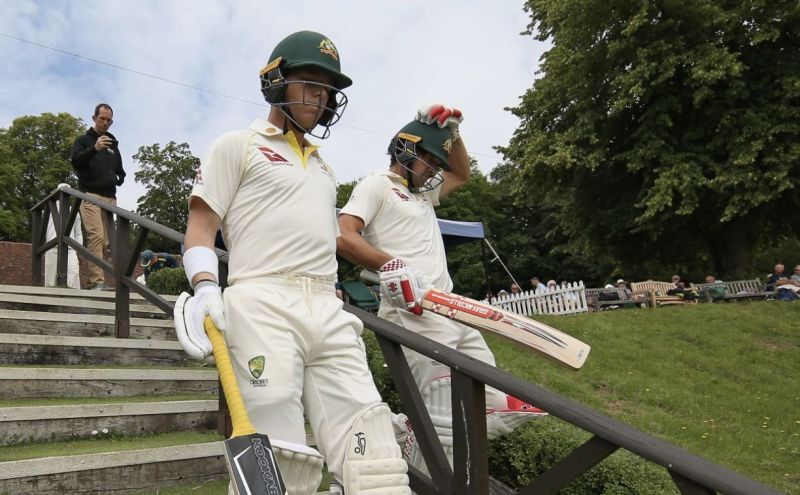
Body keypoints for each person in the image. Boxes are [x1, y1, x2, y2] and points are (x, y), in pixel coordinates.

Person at [172, 31, 409, 495]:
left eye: (327, 90)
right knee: (278, 463)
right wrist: (204, 286)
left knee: (375, 459)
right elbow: (200, 228)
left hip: (327, 307)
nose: (320, 98)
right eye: (310, 83)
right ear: (275, 80)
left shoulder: (324, 168)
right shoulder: (237, 144)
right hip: (261, 301)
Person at [337, 106, 545, 477]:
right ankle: (418, 459)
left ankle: (400, 433)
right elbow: (344, 235)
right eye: (430, 161)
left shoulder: (423, 196)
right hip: (412, 312)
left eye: (437, 162)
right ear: (405, 152)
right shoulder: (377, 185)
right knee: (442, 413)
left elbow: (461, 173)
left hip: (452, 310)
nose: (435, 170)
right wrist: (390, 265)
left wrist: (454, 131)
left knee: (500, 400)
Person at [70, 103, 125, 290]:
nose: (105, 123)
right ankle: (97, 282)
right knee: (96, 237)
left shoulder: (113, 145)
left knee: (107, 243)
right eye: (102, 118)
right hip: (90, 195)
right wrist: (95, 148)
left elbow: (121, 172)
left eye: (109, 120)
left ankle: (92, 281)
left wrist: (116, 178)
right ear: (94, 118)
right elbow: (76, 162)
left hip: (110, 198)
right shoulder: (83, 140)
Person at [44, 183, 83, 289]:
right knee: (50, 281)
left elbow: (78, 233)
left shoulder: (74, 212)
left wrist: (78, 251)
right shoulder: (48, 209)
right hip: (51, 247)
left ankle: (74, 304)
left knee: (73, 279)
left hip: (70, 249)